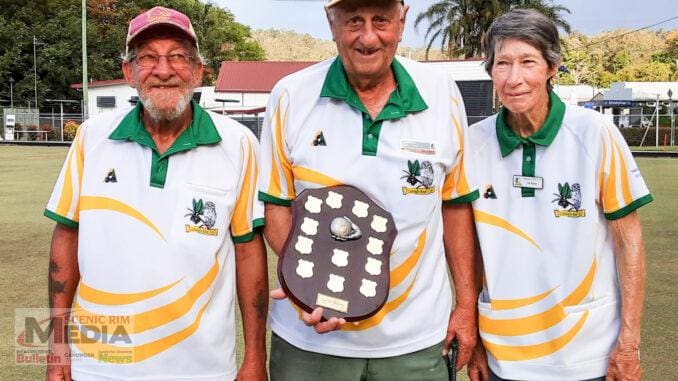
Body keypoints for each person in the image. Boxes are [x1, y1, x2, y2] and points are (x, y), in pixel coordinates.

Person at [258, 0, 480, 380]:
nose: (368, 37)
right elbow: (276, 206)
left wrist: (466, 306)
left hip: (416, 340)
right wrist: (312, 290)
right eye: (353, 21)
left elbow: (455, 206)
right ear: (331, 22)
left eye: (381, 20)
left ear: (402, 19)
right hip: (310, 342)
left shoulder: (442, 93)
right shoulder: (291, 95)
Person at [44, 6, 268, 381]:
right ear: (128, 72)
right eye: (147, 58)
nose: (164, 70)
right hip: (100, 364)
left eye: (178, 56)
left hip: (202, 368)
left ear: (198, 71)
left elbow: (248, 250)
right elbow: (67, 236)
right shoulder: (91, 137)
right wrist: (56, 349)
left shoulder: (239, 143)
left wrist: (254, 358)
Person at [466, 9, 652, 381]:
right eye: (502, 63)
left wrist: (629, 343)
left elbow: (628, 242)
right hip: (505, 355)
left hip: (587, 355)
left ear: (552, 67)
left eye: (527, 62)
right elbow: (468, 250)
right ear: (490, 70)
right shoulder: (472, 143)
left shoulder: (595, 133)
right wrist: (475, 340)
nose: (514, 79)